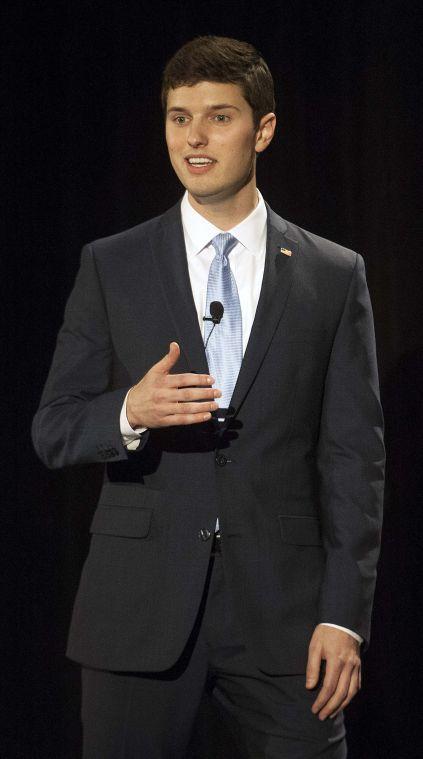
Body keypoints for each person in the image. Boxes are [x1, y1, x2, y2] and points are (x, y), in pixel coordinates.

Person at [32, 35, 385, 759]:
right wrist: (130, 411)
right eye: (177, 116)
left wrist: (343, 618)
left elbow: (353, 460)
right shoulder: (112, 263)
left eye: (218, 116)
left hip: (286, 622)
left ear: (262, 129)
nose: (193, 136)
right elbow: (54, 427)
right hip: (137, 612)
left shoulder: (331, 273)